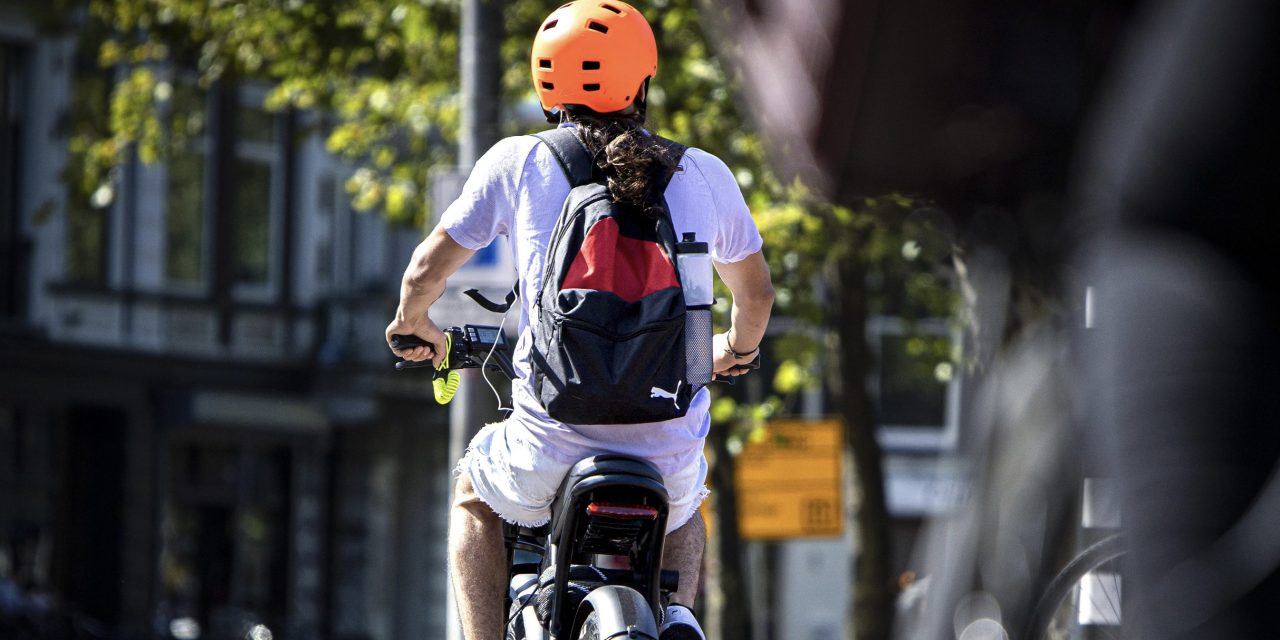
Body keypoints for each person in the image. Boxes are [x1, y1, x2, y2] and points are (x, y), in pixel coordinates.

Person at [384, 2, 775, 638]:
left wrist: (413, 322)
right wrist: (737, 348)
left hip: (549, 439)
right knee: (685, 505)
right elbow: (756, 295)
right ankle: (678, 618)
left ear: (546, 85)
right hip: (665, 437)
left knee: (473, 497)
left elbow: (426, 269)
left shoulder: (520, 161)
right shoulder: (705, 174)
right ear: (641, 81)